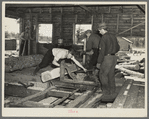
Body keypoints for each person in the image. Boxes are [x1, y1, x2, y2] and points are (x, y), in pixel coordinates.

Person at [95, 22, 120, 102]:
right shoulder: (113, 36)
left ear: (102, 29)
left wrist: (99, 62)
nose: (99, 32)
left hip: (107, 58)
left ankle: (105, 92)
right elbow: (118, 48)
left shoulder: (104, 38)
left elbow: (102, 52)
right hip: (114, 57)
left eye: (99, 30)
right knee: (111, 74)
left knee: (102, 74)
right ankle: (112, 91)